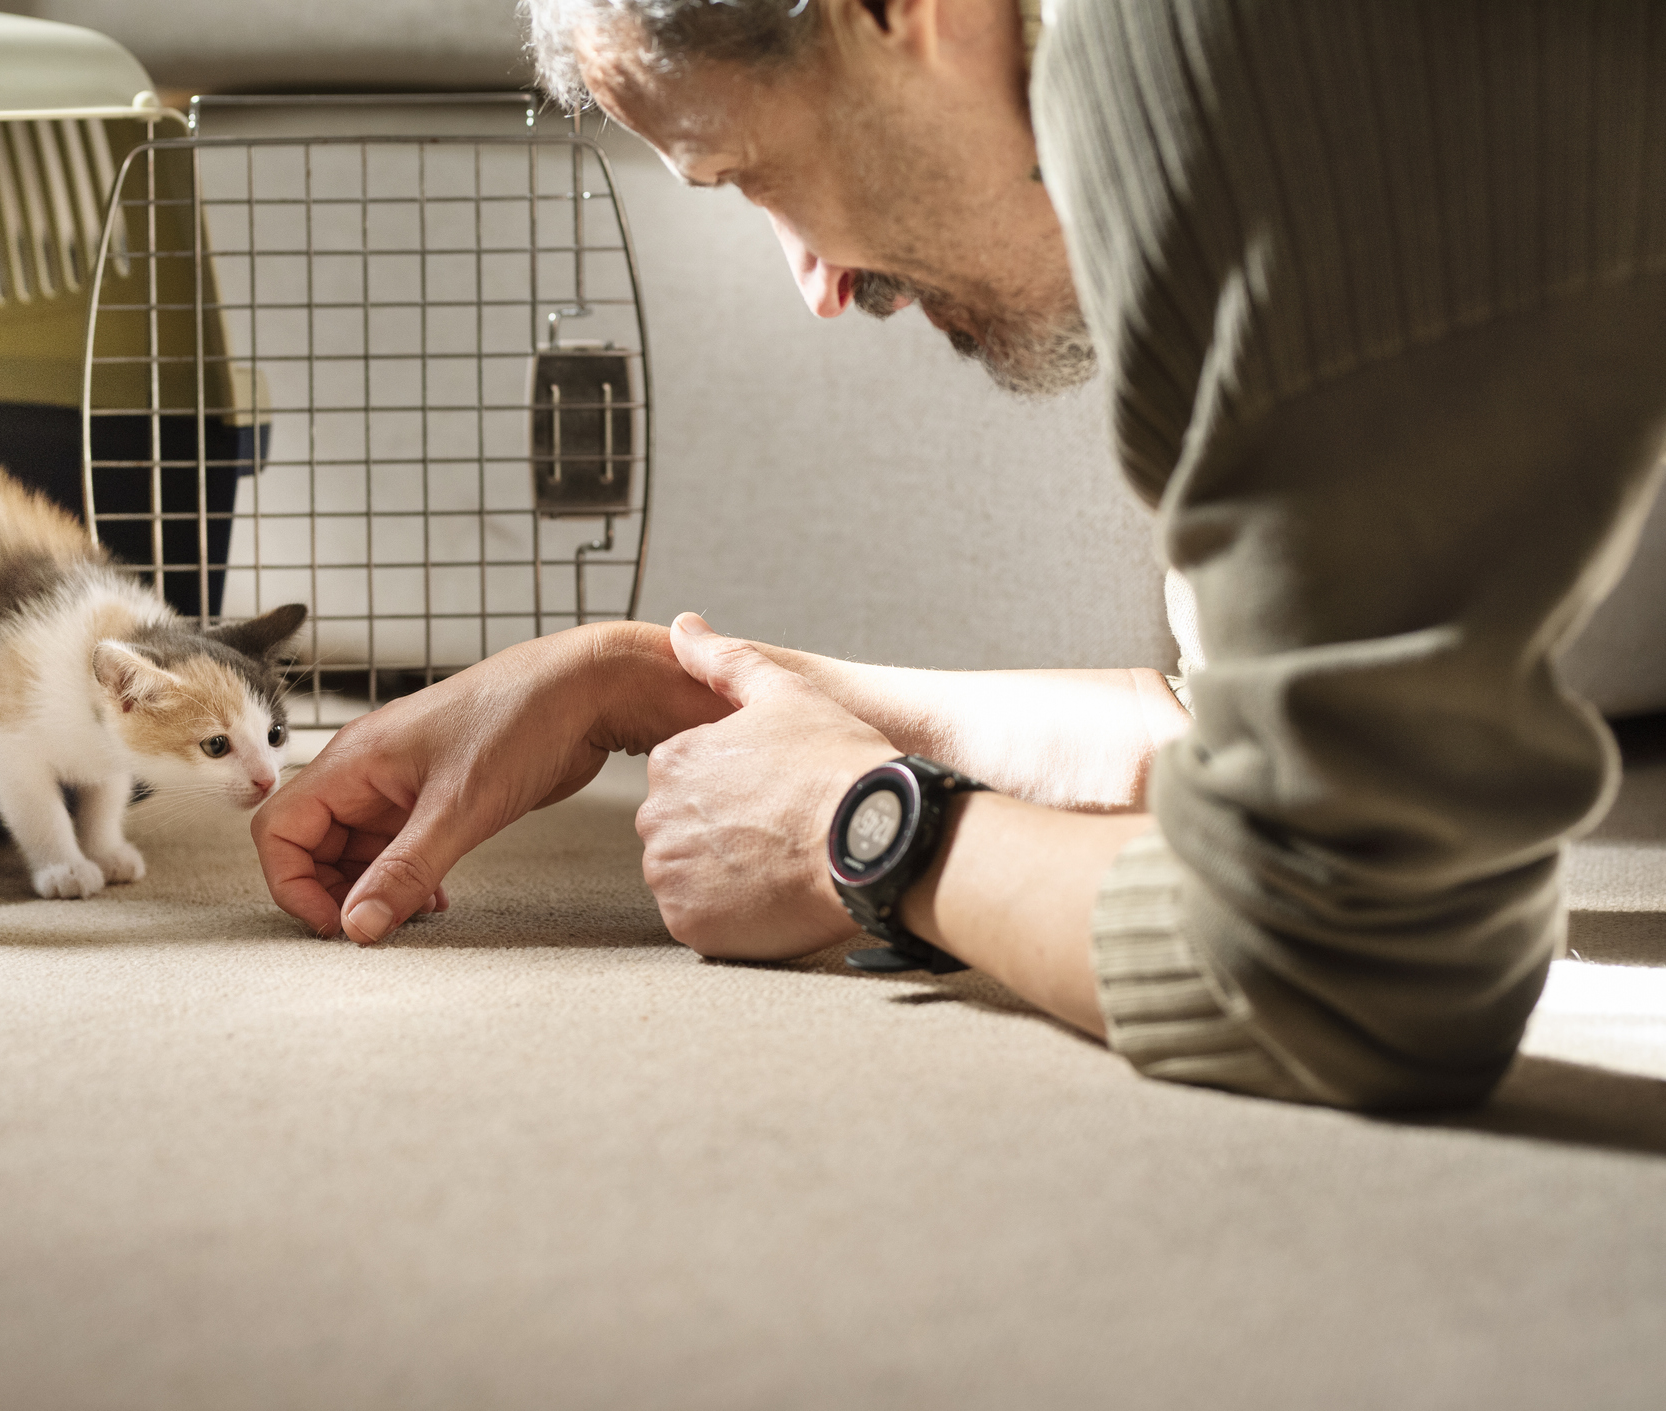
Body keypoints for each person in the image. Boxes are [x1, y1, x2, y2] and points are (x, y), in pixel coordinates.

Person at [251, 0, 1666, 1110]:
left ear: (898, 11)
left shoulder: (1230, 74)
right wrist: (648, 681)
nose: (816, 284)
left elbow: (1347, 956)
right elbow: (1240, 742)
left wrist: (868, 834)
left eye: (747, 171)